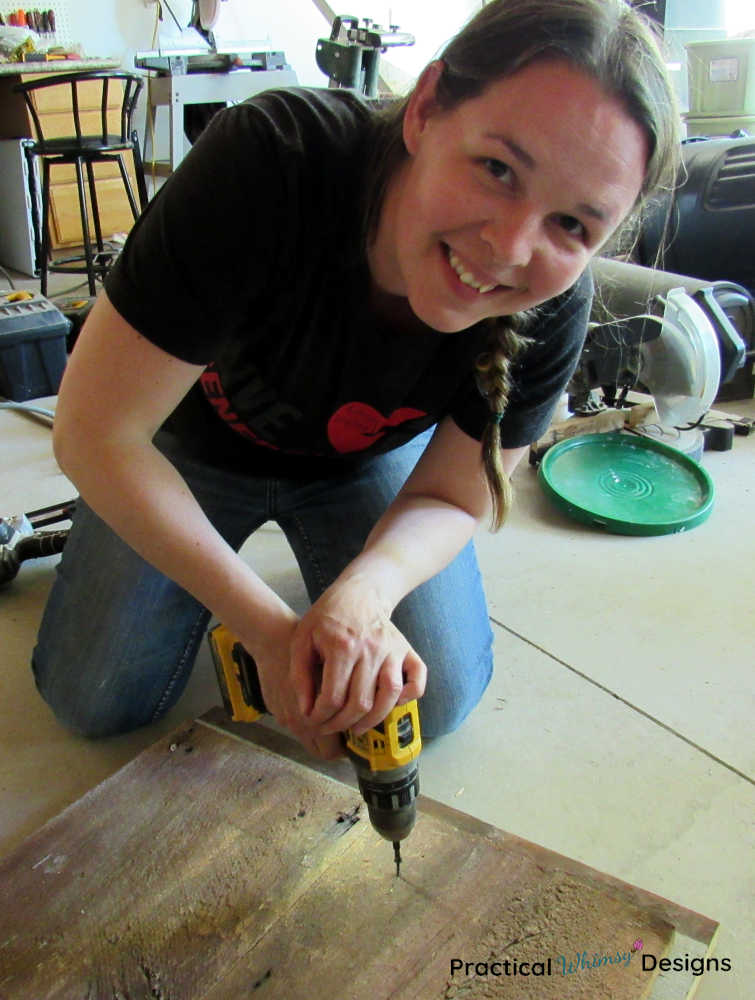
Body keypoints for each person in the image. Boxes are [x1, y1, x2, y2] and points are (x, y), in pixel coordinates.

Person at [32, 0, 680, 759]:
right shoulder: (268, 160)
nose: (508, 248)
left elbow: (453, 496)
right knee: (96, 698)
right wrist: (269, 630)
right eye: (497, 168)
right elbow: (95, 432)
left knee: (430, 699)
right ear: (427, 108)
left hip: (360, 466)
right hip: (182, 447)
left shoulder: (553, 303)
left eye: (572, 226)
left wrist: (361, 601)